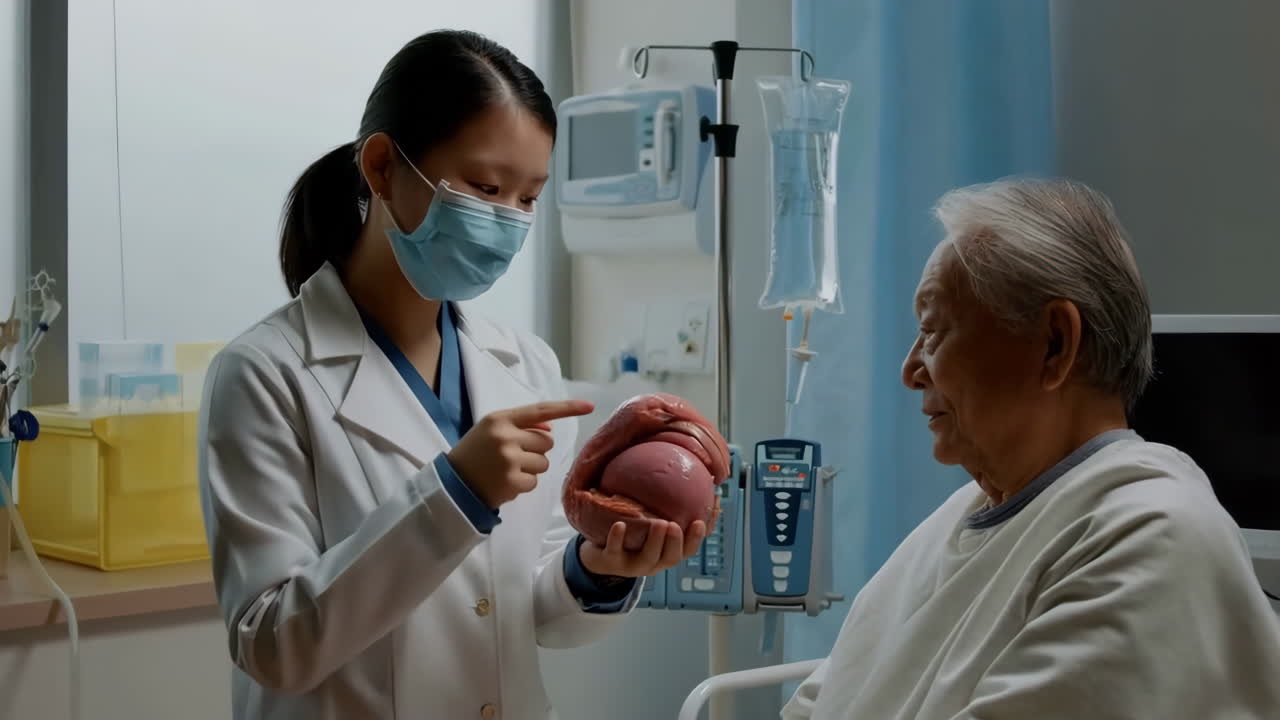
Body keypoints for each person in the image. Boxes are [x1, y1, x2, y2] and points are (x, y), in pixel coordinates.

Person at [198, 30, 706, 720]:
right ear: (381, 167)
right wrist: (455, 494)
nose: (506, 219)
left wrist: (598, 569)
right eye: (486, 186)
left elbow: (528, 609)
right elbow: (272, 643)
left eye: (528, 199)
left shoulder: (524, 364)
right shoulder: (264, 373)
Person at [782, 178, 1280, 719]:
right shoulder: (971, 513)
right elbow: (828, 698)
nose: (910, 371)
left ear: (1054, 344)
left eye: (932, 332)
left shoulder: (1153, 535)